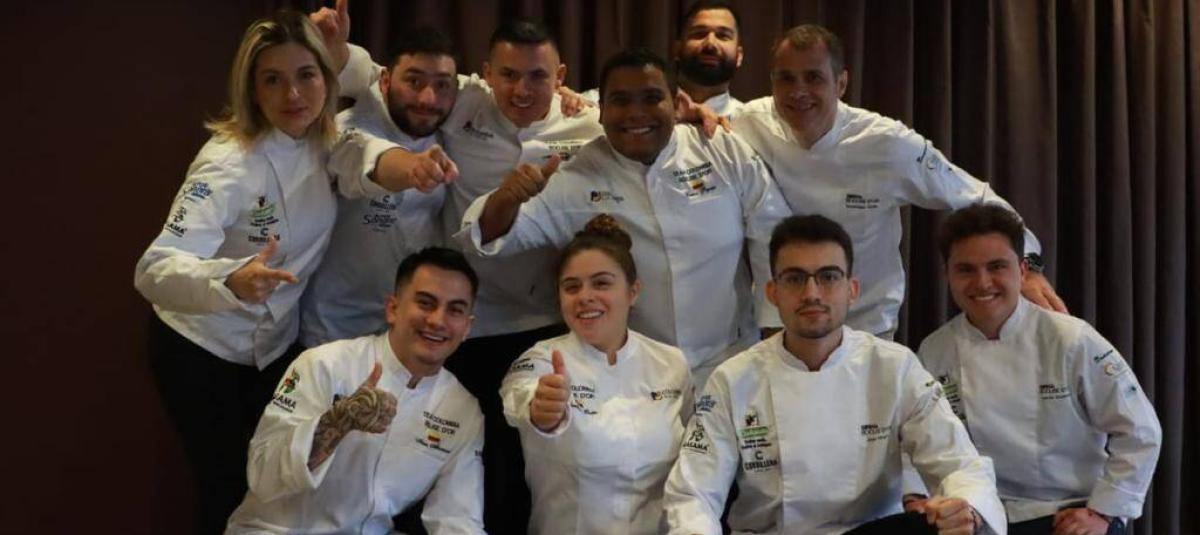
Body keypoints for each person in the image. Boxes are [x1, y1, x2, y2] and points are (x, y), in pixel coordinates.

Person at [133, 11, 441, 532]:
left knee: (283, 487)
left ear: (327, 78)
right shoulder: (227, 164)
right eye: (272, 80)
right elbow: (154, 268)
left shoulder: (327, 138)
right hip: (201, 350)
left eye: (306, 75)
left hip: (275, 349)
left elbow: (366, 158)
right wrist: (229, 280)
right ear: (252, 89)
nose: (293, 94)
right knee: (227, 491)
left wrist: (414, 169)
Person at [457, 47, 791, 389]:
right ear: (600, 111)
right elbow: (486, 237)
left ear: (677, 104)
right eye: (620, 101)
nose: (636, 113)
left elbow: (773, 236)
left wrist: (777, 338)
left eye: (651, 98)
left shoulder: (722, 150)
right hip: (634, 377)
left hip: (732, 361)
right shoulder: (576, 177)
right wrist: (506, 199)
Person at [663, 214, 1005, 535]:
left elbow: (959, 461)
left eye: (828, 277)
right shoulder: (733, 379)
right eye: (795, 278)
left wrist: (966, 506)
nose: (811, 294)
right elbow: (694, 491)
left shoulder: (894, 367)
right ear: (773, 293)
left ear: (851, 290)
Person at [731, 24, 1064, 339]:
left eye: (813, 78)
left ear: (841, 83)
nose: (798, 92)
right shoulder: (746, 124)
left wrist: (1029, 266)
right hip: (781, 326)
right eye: (786, 78)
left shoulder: (887, 143)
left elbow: (976, 197)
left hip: (866, 327)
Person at [905, 204, 1161, 535]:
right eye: (965, 270)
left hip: (1069, 510)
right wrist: (915, 496)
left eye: (997, 266)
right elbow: (914, 437)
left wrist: (1103, 512)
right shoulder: (934, 350)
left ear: (1023, 270)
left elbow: (1141, 431)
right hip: (983, 513)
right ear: (947, 275)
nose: (982, 283)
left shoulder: (1072, 339)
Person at [226, 247, 485, 534]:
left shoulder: (462, 409)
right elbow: (263, 476)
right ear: (393, 309)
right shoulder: (325, 364)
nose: (437, 320)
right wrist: (338, 421)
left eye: (455, 310)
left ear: (467, 328)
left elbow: (457, 518)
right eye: (425, 303)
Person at [500, 215, 692, 534]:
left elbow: (691, 465)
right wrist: (542, 410)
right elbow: (520, 397)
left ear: (633, 291)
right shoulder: (541, 359)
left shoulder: (672, 362)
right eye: (571, 287)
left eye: (601, 283)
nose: (585, 296)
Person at [299, 25, 459, 348]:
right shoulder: (347, 128)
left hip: (405, 333)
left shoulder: (451, 127)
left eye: (442, 86)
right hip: (333, 329)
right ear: (385, 80)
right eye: (414, 82)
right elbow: (369, 156)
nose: (428, 99)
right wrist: (414, 167)